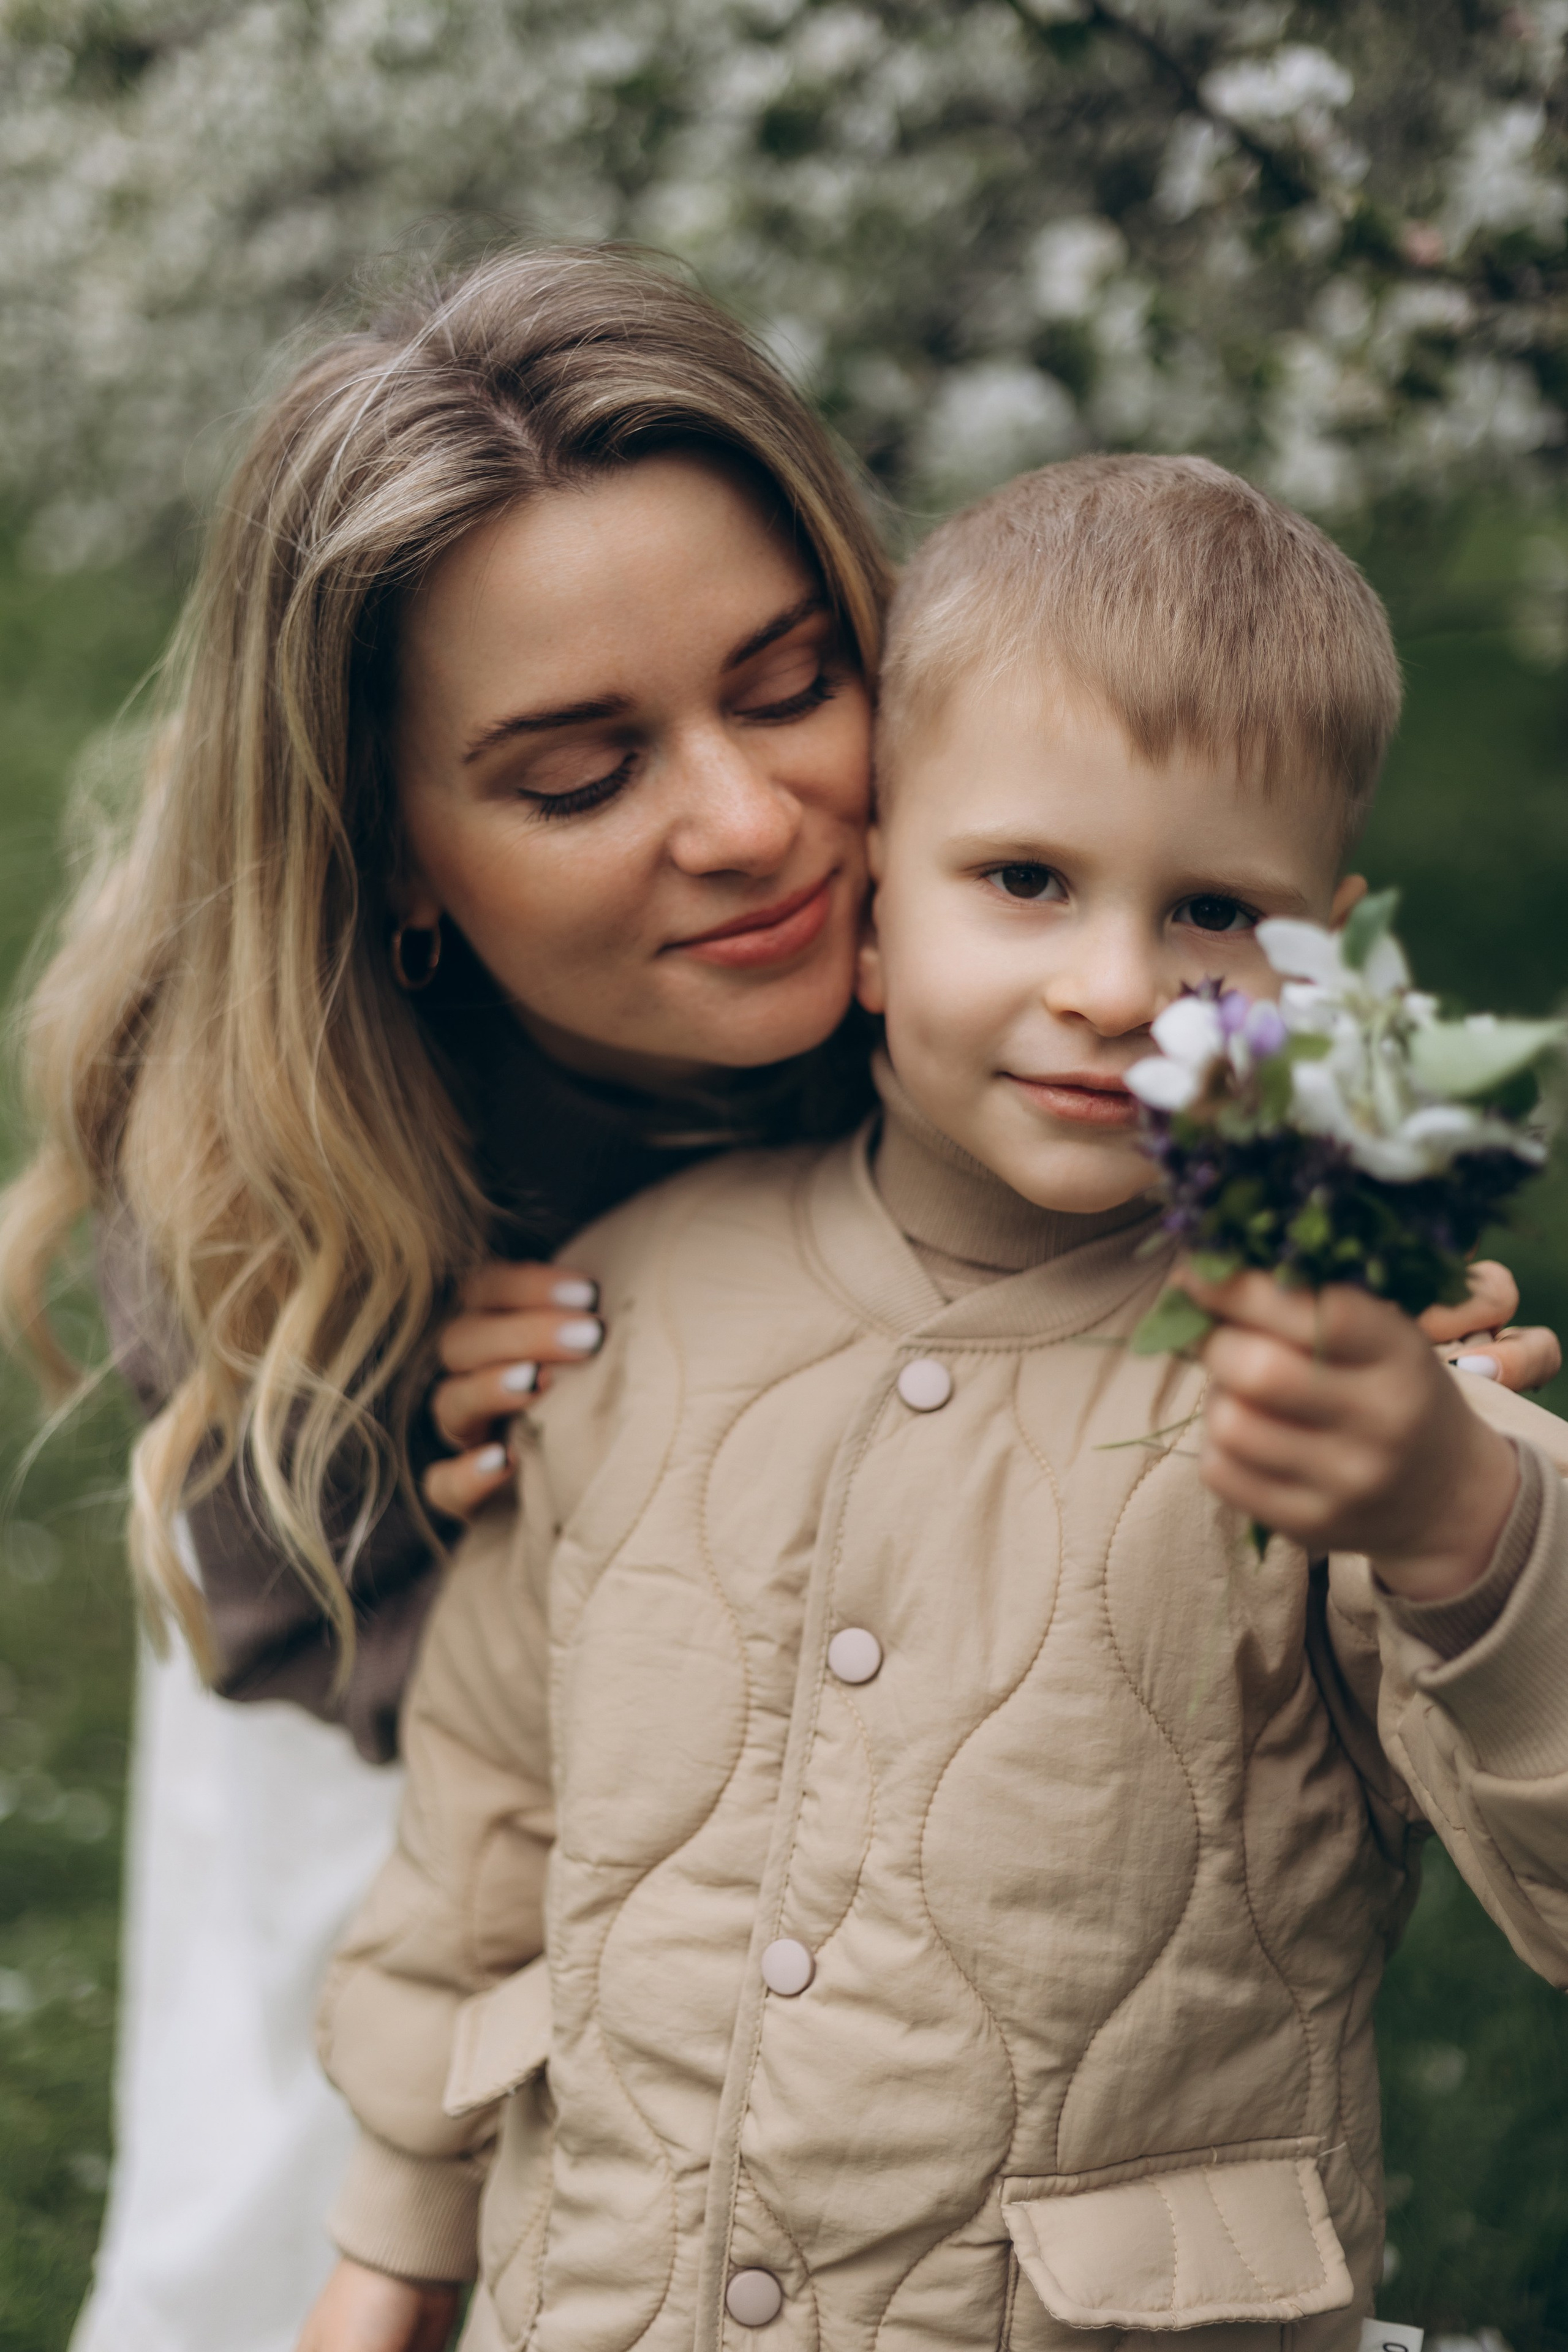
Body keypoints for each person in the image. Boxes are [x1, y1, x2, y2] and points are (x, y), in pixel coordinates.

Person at [305, 456, 1568, 2352]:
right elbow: (487, 1816)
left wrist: (1467, 1529)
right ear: (875, 904)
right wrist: (394, 2251)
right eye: (1028, 881)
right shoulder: (627, 1301)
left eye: (1214, 909)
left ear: (1325, 966)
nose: (1118, 982)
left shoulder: (1350, 1386)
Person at [0, 244, 895, 2352]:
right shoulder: (259, 1122)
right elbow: (260, 1599)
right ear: (387, 850)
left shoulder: (1004, 914)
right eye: (580, 778)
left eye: (789, 684)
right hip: (377, 1719)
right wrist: (413, 1472)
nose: (752, 822)